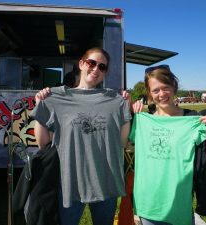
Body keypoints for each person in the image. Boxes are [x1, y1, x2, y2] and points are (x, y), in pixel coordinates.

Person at [31, 47, 132, 225]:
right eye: (92, 63)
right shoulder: (57, 98)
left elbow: (122, 142)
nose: (96, 69)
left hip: (105, 184)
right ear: (81, 64)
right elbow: (43, 143)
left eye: (102, 67)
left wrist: (128, 111)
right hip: (70, 185)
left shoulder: (115, 101)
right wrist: (41, 108)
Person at [130, 65, 206, 225]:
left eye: (165, 88)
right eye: (155, 90)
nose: (161, 94)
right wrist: (130, 112)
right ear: (149, 93)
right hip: (147, 205)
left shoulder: (192, 121)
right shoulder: (141, 121)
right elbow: (122, 143)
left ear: (174, 87)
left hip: (179, 206)